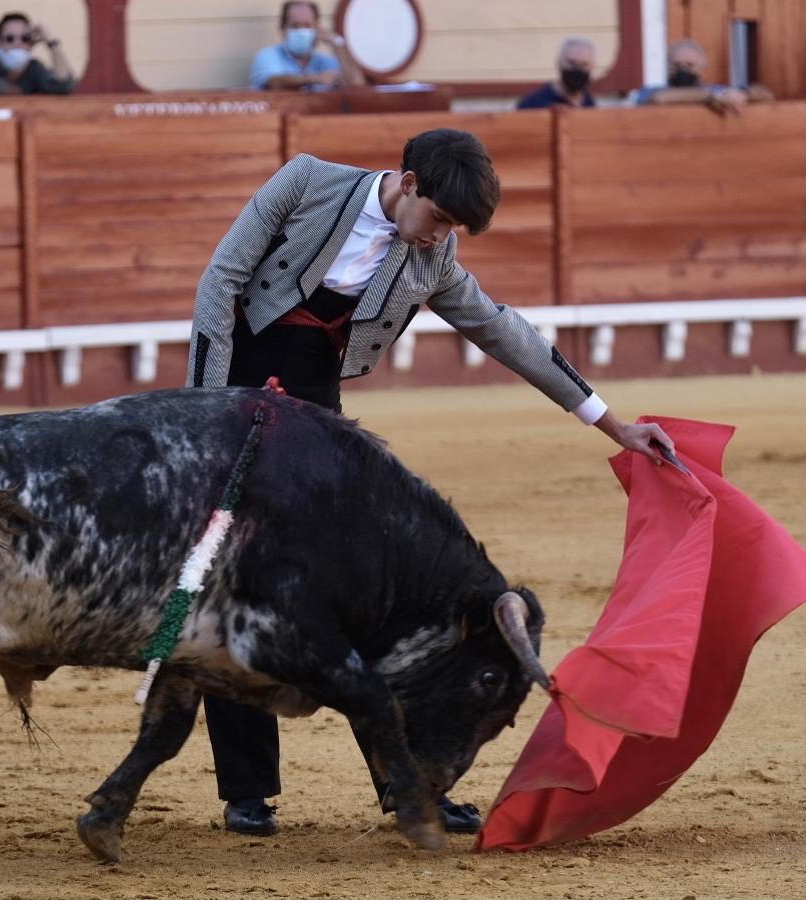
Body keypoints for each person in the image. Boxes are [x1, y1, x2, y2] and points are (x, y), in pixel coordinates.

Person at [186, 128, 674, 838]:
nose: (441, 238)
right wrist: (206, 419)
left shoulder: (432, 255)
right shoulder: (306, 182)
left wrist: (611, 424)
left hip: (317, 425)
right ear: (408, 183)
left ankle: (404, 785)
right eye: (440, 218)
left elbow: (504, 332)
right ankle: (247, 792)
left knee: (356, 601)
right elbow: (220, 283)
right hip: (227, 398)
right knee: (234, 588)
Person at [632, 39, 773, 114]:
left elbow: (766, 94)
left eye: (689, 65)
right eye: (676, 65)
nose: (682, 70)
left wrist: (742, 94)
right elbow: (659, 98)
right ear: (668, 67)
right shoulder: (650, 91)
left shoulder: (717, 90)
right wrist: (713, 97)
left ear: (700, 69)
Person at [250, 1, 364, 92]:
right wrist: (314, 79)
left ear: (317, 28)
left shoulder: (326, 61)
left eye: (307, 25)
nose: (301, 30)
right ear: (282, 28)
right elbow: (275, 82)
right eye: (294, 26)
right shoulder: (268, 56)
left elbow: (358, 86)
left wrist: (337, 43)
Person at [0, 12, 75, 96]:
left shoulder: (33, 67)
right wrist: (17, 86)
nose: (17, 44)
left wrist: (51, 43)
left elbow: (64, 85)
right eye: (10, 39)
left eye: (25, 38)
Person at [516, 37, 597, 109]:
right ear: (558, 63)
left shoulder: (590, 104)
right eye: (571, 63)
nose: (577, 69)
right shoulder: (532, 104)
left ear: (592, 67)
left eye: (584, 65)